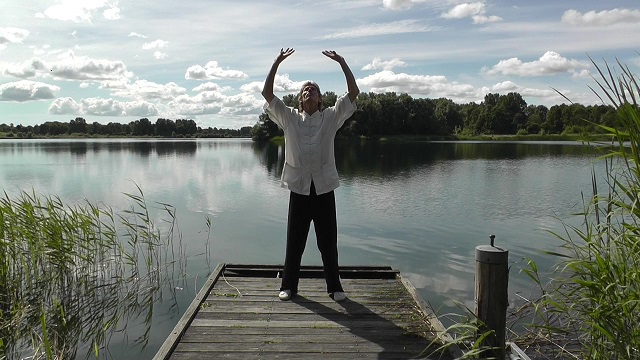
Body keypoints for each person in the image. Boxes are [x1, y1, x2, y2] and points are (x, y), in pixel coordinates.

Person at [261, 48, 359, 302]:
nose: (309, 90)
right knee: (295, 242)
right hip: (300, 188)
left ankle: (335, 287)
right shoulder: (290, 118)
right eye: (305, 89)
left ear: (320, 98)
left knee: (328, 243)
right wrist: (276, 62)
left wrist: (342, 63)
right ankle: (289, 286)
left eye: (313, 88)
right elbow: (267, 94)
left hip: (324, 188)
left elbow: (353, 93)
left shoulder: (331, 117)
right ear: (300, 100)